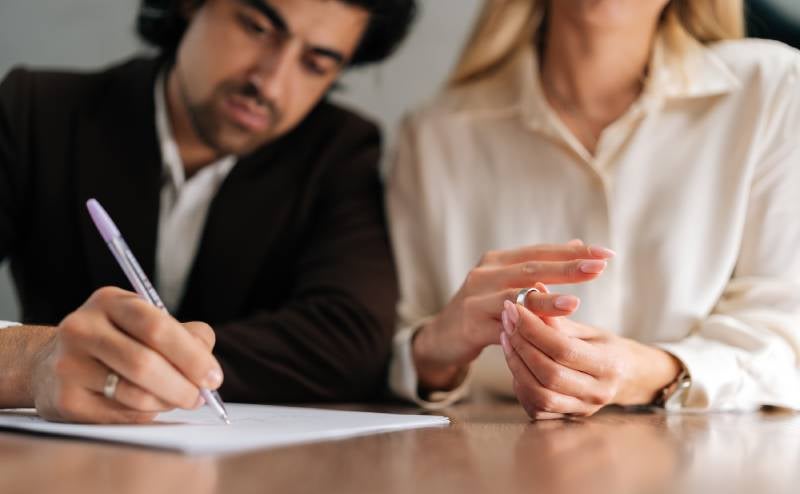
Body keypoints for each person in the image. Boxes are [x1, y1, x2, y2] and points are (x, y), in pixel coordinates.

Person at [0, 0, 417, 423]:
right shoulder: (35, 110)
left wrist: (148, 362)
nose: (270, 85)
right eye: (256, 28)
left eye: (316, 64)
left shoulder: (339, 151)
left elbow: (350, 341)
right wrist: (32, 361)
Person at [387, 0, 800, 418]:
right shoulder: (433, 133)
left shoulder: (773, 89)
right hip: (489, 458)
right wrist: (433, 354)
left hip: (715, 461)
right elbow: (396, 351)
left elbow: (784, 337)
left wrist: (648, 374)